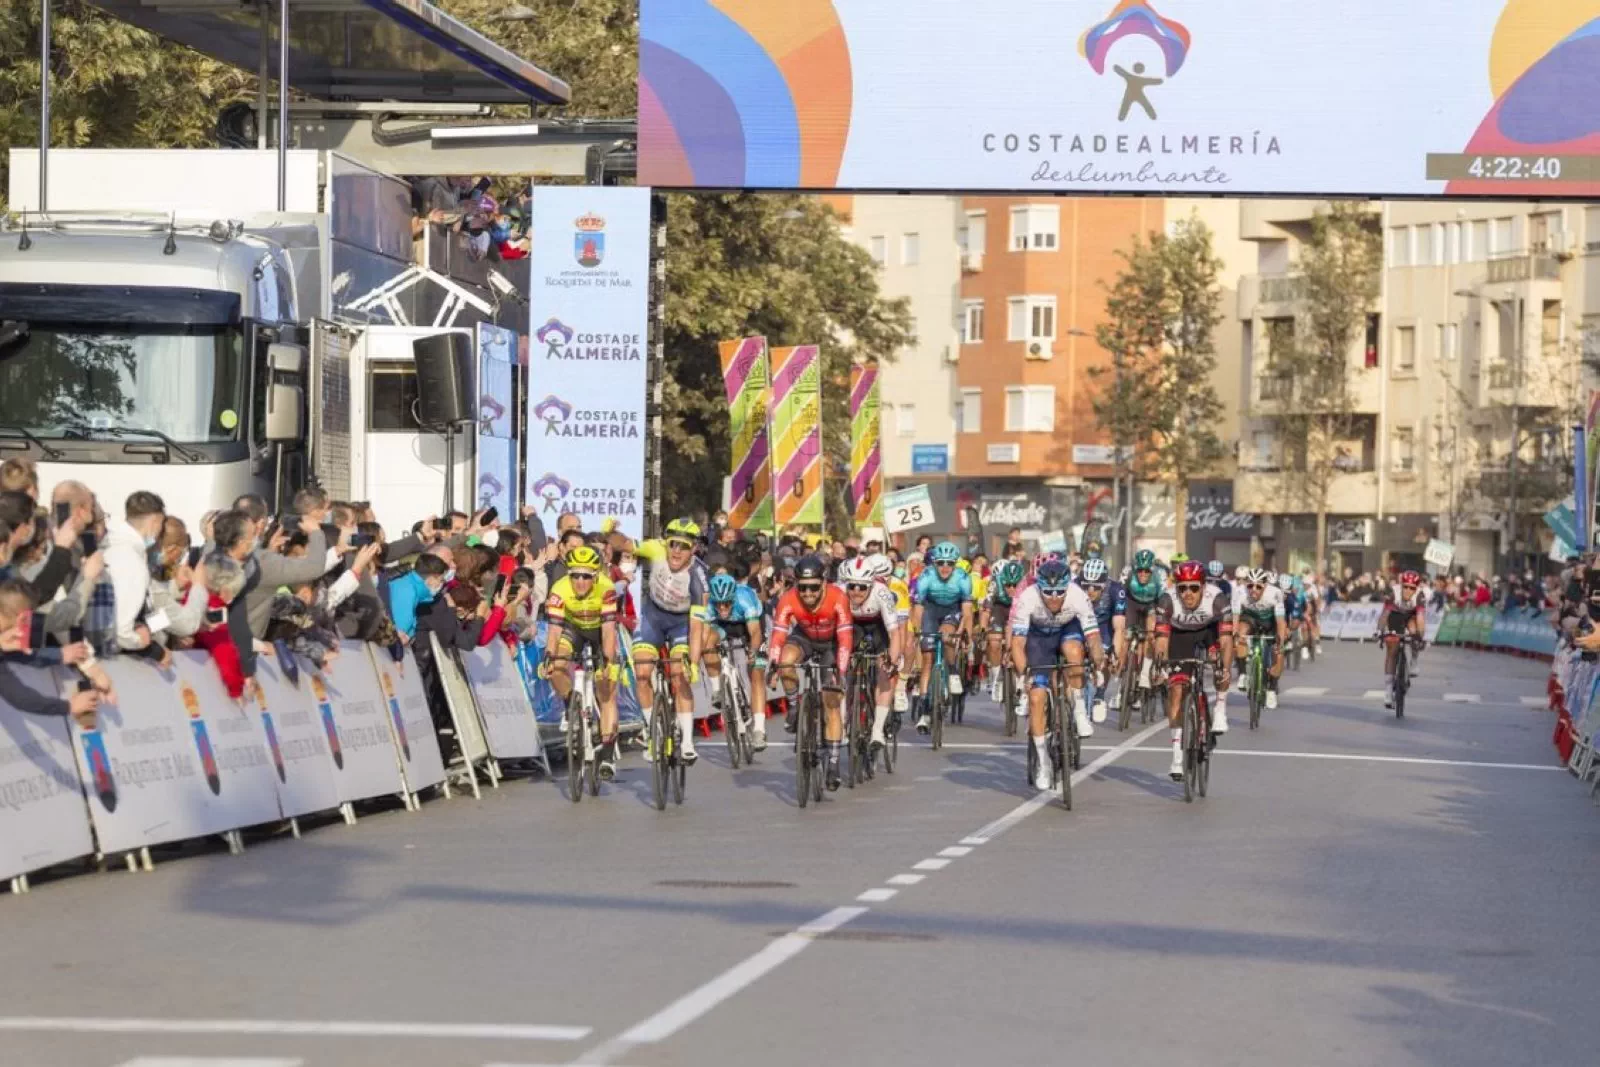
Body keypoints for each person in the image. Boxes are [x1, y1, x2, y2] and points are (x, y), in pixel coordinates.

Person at [1008, 559, 1104, 791]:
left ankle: (1080, 711)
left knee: (1074, 653)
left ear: (1067, 588)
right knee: (1036, 697)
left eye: (1059, 592)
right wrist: (1023, 679)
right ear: (1039, 587)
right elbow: (1018, 644)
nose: (1053, 597)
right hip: (1038, 638)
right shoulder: (1028, 598)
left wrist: (1099, 665)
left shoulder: (1078, 595)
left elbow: (1093, 638)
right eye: (1048, 592)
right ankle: (1043, 762)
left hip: (1066, 630)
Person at [628, 518, 710, 765]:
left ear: (693, 549)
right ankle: (652, 731)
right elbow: (623, 544)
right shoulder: (655, 550)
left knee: (679, 672)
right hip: (653, 617)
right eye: (672, 544)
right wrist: (611, 532)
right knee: (642, 671)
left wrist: (693, 663)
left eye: (683, 546)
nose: (676, 551)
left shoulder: (698, 577)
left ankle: (686, 740)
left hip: (681, 624)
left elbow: (697, 627)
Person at [768, 555, 854, 790]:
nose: (807, 593)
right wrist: (774, 664)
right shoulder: (788, 599)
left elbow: (846, 638)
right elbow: (778, 634)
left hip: (832, 643)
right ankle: (795, 706)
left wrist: (841, 671)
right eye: (802, 587)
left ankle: (834, 763)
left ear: (823, 583)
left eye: (813, 588)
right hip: (804, 637)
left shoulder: (838, 597)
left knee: (830, 700)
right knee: (786, 663)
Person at [545, 545, 623, 778]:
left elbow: (609, 632)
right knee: (556, 666)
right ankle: (572, 704)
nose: (579, 581)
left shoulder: (606, 589)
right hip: (573, 629)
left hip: (600, 630)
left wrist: (608, 661)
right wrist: (549, 655)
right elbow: (554, 631)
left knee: (606, 690)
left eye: (586, 576)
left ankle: (607, 755)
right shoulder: (559, 589)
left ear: (596, 576)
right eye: (575, 575)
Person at [1154, 560, 1234, 782]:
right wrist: (1161, 665)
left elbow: (1227, 640)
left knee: (1220, 663)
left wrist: (1224, 669)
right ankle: (1177, 756)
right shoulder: (1167, 600)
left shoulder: (1217, 599)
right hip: (1180, 637)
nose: (1187, 593)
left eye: (1193, 587)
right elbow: (1161, 641)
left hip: (1208, 632)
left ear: (1203, 586)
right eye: (1182, 588)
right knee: (1177, 690)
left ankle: (1219, 709)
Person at [693, 571, 768, 751]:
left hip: (749, 624)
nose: (722, 607)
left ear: (732, 598)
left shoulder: (744, 600)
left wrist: (753, 651)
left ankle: (759, 729)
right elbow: (703, 634)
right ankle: (718, 689)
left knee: (756, 673)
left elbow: (755, 633)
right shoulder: (710, 605)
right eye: (719, 604)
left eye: (726, 603)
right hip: (723, 626)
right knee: (707, 643)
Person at [837, 554, 903, 755]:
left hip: (878, 626)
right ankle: (841, 725)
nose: (856, 591)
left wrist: (891, 661)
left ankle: (877, 730)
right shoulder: (838, 592)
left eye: (862, 587)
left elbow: (894, 633)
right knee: (839, 671)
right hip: (852, 626)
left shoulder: (882, 593)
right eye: (852, 586)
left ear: (871, 585)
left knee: (885, 671)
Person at [908, 541, 974, 734]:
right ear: (935, 563)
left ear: (955, 564)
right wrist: (917, 632)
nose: (945, 567)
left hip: (952, 610)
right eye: (941, 563)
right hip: (930, 610)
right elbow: (918, 609)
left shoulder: (963, 578)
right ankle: (924, 709)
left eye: (950, 563)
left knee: (947, 636)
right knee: (927, 659)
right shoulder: (925, 576)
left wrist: (961, 632)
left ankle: (952, 670)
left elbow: (967, 611)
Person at [1114, 550, 1163, 716]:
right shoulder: (1127, 573)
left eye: (1146, 571)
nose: (1143, 574)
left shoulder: (1160, 577)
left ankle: (1144, 674)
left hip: (1150, 605)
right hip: (1132, 603)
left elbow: (1163, 601)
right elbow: (1119, 593)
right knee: (1126, 636)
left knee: (1149, 634)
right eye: (1140, 571)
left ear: (1152, 569)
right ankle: (1121, 682)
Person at [1076, 557, 1125, 722]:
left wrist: (1115, 653)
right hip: (1080, 623)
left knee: (1106, 656)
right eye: (1086, 586)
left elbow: (1119, 627)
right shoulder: (1074, 585)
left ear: (1104, 585)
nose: (1090, 590)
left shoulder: (1116, 590)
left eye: (1095, 586)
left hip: (1103, 625)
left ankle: (1100, 695)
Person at [1233, 569, 1287, 711]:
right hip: (1251, 619)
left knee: (1279, 652)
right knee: (1240, 633)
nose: (1253, 590)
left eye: (1258, 586)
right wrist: (1235, 635)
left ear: (1265, 586)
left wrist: (1280, 642)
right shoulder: (1239, 592)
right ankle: (1243, 673)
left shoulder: (1275, 593)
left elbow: (1280, 621)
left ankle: (1271, 689)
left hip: (1271, 621)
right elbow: (1236, 617)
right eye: (1250, 586)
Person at [1378, 570, 1427, 708]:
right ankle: (1388, 691)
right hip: (1395, 615)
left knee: (1413, 631)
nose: (1407, 590)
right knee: (1391, 649)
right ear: (1401, 585)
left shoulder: (1420, 596)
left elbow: (1420, 619)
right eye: (1405, 586)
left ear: (1416, 588)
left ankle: (1414, 661)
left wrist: (1420, 636)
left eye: (1412, 588)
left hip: (1411, 616)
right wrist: (1379, 631)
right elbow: (1385, 615)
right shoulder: (1393, 593)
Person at [983, 559, 1026, 703]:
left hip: (1019, 609)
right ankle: (996, 676)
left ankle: (1021, 677)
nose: (1012, 589)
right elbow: (986, 610)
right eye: (1008, 585)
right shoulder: (995, 583)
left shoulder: (1027, 586)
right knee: (994, 642)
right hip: (999, 607)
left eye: (1016, 585)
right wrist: (984, 629)